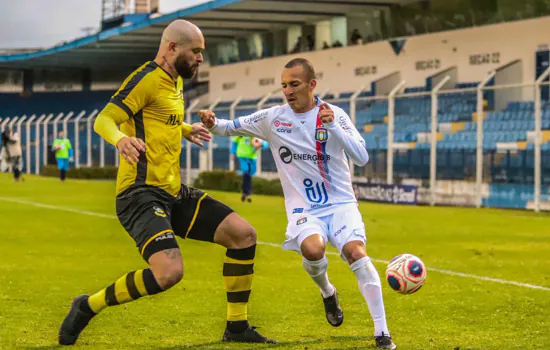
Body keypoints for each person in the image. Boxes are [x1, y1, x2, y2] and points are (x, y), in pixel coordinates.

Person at [57, 19, 276, 346]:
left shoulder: (175, 81)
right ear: (172, 48)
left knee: (243, 236)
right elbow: (104, 119)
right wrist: (119, 140)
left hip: (173, 191)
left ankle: (237, 327)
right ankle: (88, 305)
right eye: (196, 51)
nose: (201, 58)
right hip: (140, 194)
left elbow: (159, 117)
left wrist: (185, 129)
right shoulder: (145, 78)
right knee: (168, 273)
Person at [200, 58, 396, 349]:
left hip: (340, 202)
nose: (288, 91)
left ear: (312, 85)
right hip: (304, 207)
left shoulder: (334, 114)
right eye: (284, 85)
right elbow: (228, 128)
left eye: (294, 84)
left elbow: (362, 157)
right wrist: (212, 122)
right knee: (313, 249)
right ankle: (328, 292)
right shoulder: (273, 118)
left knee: (356, 253)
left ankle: (382, 333)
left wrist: (335, 130)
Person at [231, 136, 268, 202]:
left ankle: (245, 192)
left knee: (250, 174)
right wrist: (232, 152)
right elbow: (234, 142)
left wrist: (261, 144)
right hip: (242, 156)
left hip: (252, 157)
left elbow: (265, 143)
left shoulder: (254, 133)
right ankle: (247, 192)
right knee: (246, 172)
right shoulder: (241, 132)